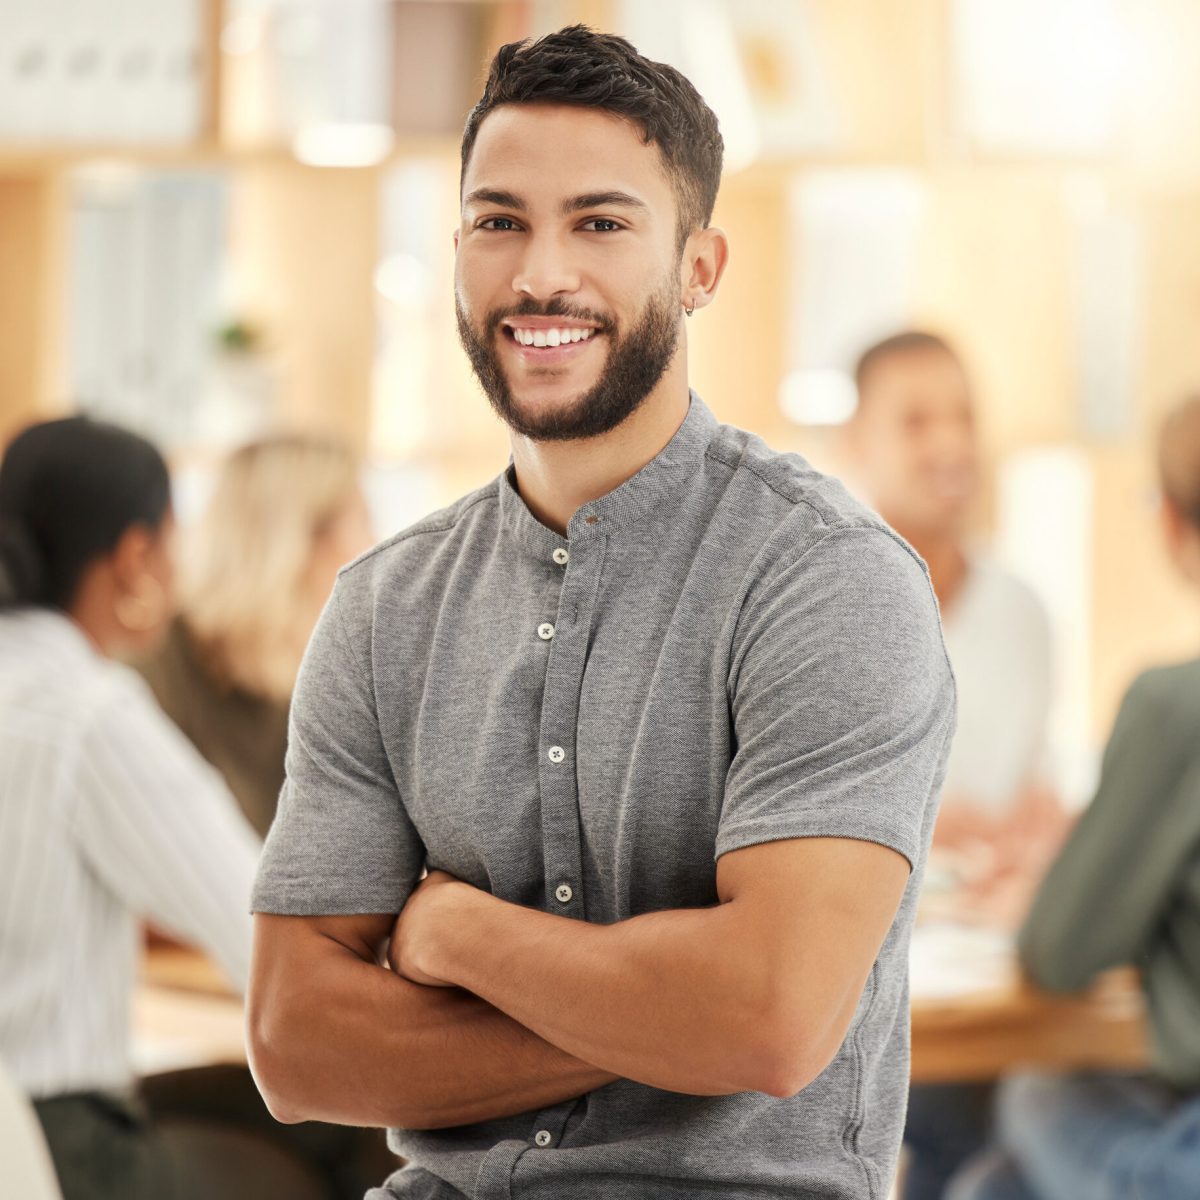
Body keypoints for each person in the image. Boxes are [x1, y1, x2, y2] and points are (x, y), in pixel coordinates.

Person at [248, 26, 956, 1199]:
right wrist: (670, 1017)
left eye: (602, 222)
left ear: (700, 266)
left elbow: (771, 1021)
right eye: (499, 220)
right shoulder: (383, 608)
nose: (541, 275)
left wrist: (458, 937)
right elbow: (295, 1044)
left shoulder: (829, 579)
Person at [0, 416, 391, 1200]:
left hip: (28, 1124)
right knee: (373, 1140)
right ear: (137, 554)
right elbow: (260, 932)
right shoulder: (90, 712)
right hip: (65, 1142)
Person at [946, 394, 1200, 1199]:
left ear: (1168, 522)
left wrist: (1057, 891)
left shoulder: (1175, 708)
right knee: (996, 1183)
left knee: (1033, 1095)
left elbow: (1059, 952)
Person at [841, 332, 1064, 1197]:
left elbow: (1034, 801)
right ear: (856, 446)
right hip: (878, 992)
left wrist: (1044, 843)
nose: (950, 444)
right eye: (917, 420)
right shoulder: (825, 612)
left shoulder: (1024, 614)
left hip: (1001, 981)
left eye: (964, 417)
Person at [137, 434, 374, 837]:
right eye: (363, 523)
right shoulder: (158, 668)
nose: (377, 547)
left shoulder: (338, 683)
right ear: (299, 544)